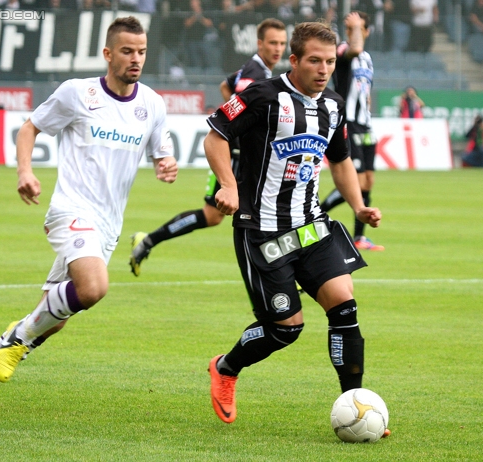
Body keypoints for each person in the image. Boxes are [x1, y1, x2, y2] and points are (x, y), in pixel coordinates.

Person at [0, 16, 178, 410]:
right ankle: (16, 340)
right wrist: (25, 172)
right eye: (127, 51)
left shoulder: (152, 105)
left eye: (141, 51)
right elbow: (29, 128)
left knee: (54, 318)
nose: (135, 59)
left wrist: (167, 165)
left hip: (107, 225)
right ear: (108, 54)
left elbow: (163, 152)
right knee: (92, 289)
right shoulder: (78, 93)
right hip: (71, 210)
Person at [203, 20, 382, 425]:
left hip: (311, 226)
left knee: (345, 306)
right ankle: (226, 368)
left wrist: (357, 207)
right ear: (294, 59)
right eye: (315, 61)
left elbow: (340, 161)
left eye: (331, 61)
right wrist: (228, 185)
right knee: (285, 329)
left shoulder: (333, 106)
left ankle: (357, 407)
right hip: (262, 230)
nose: (323, 69)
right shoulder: (262, 96)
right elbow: (215, 136)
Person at [129, 18, 288, 276]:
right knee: (262, 210)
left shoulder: (256, 70)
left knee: (217, 216)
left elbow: (226, 86)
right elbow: (240, 100)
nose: (278, 48)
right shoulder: (256, 74)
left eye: (282, 43)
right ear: (260, 43)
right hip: (234, 157)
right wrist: (244, 129)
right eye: (272, 43)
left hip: (237, 155)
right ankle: (284, 273)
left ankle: (148, 240)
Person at [319, 11, 384, 251]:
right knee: (355, 181)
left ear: (367, 31)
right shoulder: (343, 51)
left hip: (365, 124)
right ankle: (317, 214)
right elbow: (354, 48)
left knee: (367, 181)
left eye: (359, 28)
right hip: (349, 123)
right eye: (353, 28)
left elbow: (364, 89)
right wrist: (355, 26)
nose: (355, 31)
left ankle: (359, 238)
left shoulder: (367, 58)